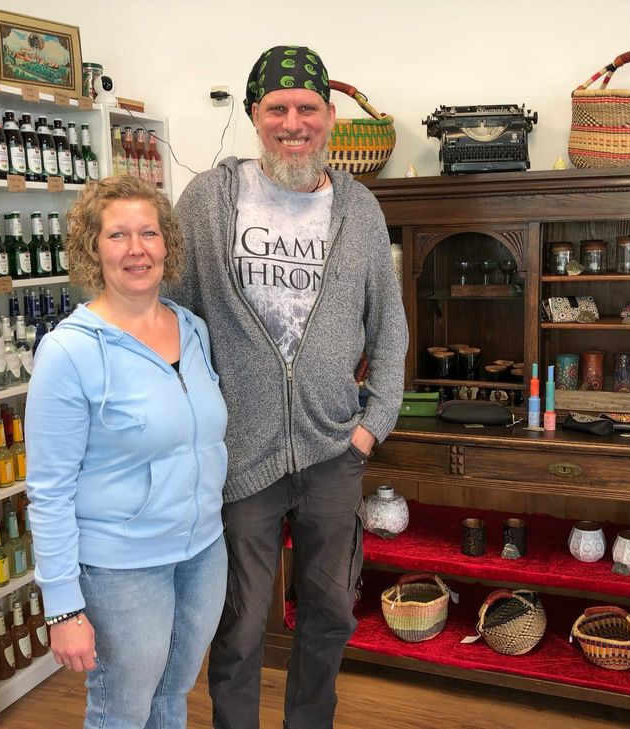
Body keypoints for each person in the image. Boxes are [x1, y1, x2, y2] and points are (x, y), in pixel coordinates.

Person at [169, 44, 408, 729]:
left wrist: (372, 425)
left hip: (335, 451)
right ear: (254, 115)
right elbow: (177, 324)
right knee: (239, 624)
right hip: (240, 456)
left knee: (330, 615)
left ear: (331, 117)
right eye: (278, 108)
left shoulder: (359, 210)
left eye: (307, 108)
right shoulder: (208, 202)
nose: (293, 122)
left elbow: (389, 326)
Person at [25, 175, 228, 729]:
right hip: (120, 568)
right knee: (122, 710)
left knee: (174, 695)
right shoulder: (68, 351)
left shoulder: (192, 330)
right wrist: (63, 607)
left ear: (168, 244)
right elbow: (48, 491)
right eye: (118, 235)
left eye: (149, 233)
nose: (137, 249)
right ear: (93, 249)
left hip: (204, 551)